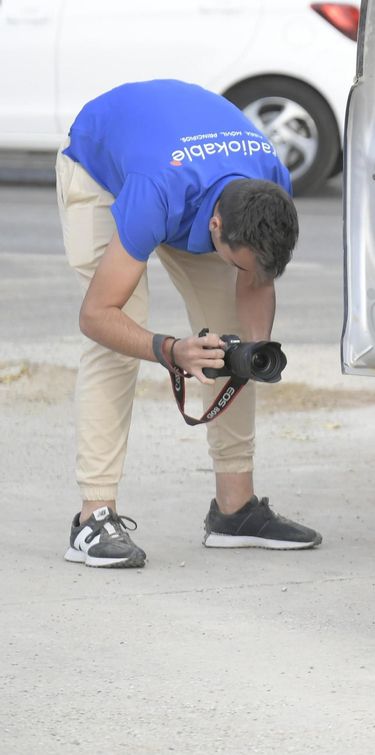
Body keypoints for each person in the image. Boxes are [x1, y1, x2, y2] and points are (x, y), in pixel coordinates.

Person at [57, 79, 320, 569]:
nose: (247, 273)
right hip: (103, 166)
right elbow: (96, 317)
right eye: (238, 263)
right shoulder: (157, 192)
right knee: (119, 341)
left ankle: (235, 511)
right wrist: (171, 350)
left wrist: (254, 351)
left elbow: (257, 280)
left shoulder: (271, 181)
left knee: (228, 341)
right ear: (214, 228)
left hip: (184, 169)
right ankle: (92, 518)